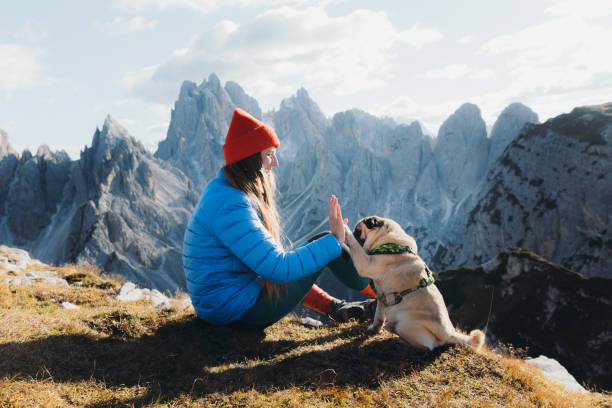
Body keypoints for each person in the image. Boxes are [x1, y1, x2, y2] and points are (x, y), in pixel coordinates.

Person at [183, 108, 377, 328]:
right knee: (331, 247)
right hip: (233, 311)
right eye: (268, 154)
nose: (274, 163)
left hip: (223, 303)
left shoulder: (223, 190)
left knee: (321, 247)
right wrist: (335, 240)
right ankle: (390, 296)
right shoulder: (231, 205)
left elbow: (270, 270)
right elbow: (279, 270)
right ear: (249, 160)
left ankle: (337, 308)